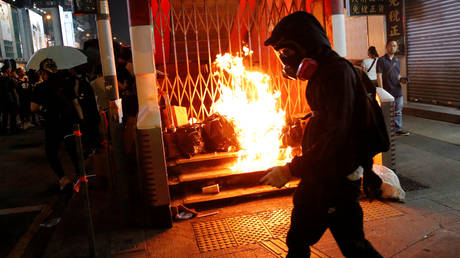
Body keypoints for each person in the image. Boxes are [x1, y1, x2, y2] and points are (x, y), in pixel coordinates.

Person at [261, 12, 382, 257]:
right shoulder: (330, 71)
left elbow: (337, 136)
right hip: (332, 176)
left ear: (306, 45)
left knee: (308, 241)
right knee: (347, 244)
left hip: (330, 180)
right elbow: (352, 123)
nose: (285, 60)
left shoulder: (335, 75)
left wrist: (291, 169)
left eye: (286, 52)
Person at [30, 58, 85, 191]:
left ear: (44, 73)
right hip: (69, 122)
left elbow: (33, 108)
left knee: (51, 152)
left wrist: (43, 108)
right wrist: (82, 119)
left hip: (52, 124)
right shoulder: (66, 83)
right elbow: (76, 103)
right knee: (73, 150)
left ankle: (63, 179)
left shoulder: (40, 87)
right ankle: (81, 177)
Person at [377, 41, 410, 136]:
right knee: (386, 112)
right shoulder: (381, 60)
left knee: (398, 112)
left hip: (397, 90)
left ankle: (397, 130)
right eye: (391, 45)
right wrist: (381, 91)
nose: (392, 47)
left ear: (396, 48)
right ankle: (386, 130)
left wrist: (403, 80)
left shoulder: (397, 61)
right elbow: (379, 76)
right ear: (387, 47)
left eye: (395, 46)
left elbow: (397, 76)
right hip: (387, 91)